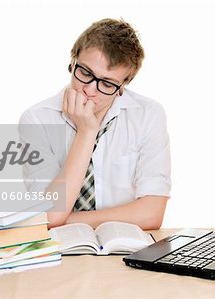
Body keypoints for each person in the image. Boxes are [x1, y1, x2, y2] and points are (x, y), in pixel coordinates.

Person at [19, 18, 171, 230]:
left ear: (121, 87)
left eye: (107, 83)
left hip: (122, 247)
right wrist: (86, 132)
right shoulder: (36, 120)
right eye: (85, 73)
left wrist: (63, 220)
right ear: (72, 63)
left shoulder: (148, 115)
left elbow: (152, 214)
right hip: (57, 250)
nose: (90, 90)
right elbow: (48, 215)